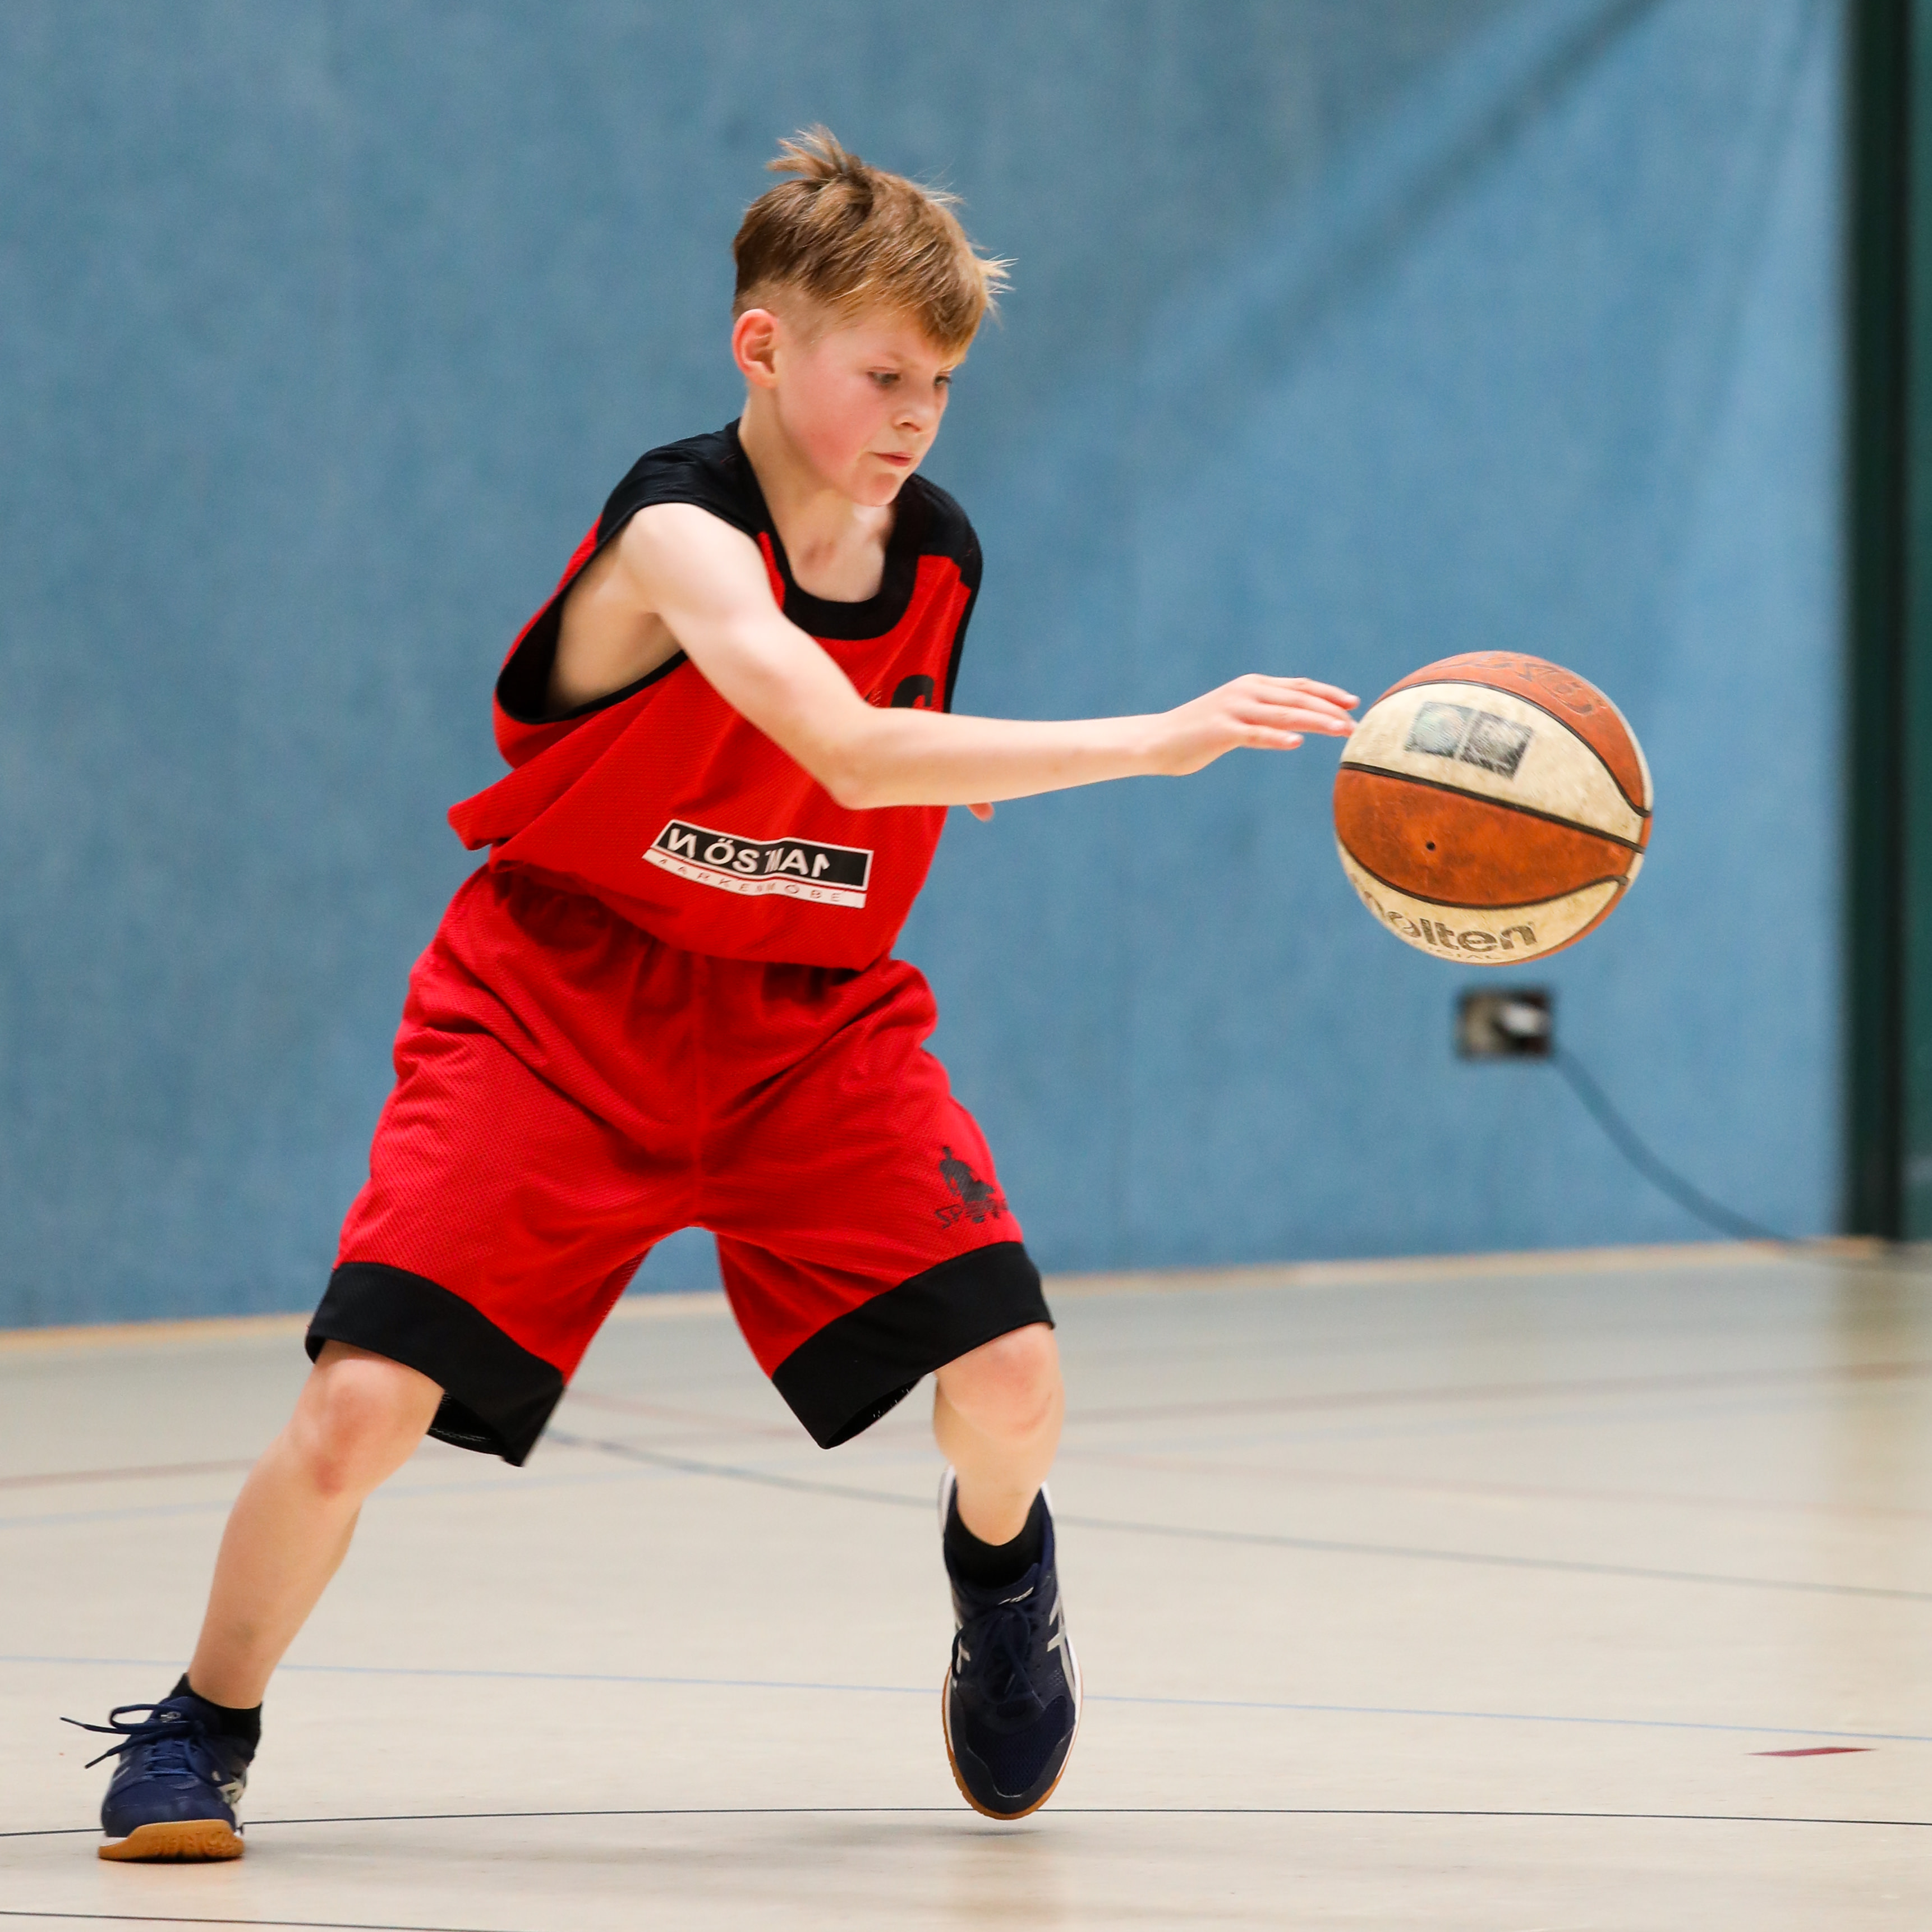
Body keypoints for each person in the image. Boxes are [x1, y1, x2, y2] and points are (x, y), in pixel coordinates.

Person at [69, 128, 1357, 1860]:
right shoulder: (676, 528)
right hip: (557, 1009)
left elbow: (878, 753)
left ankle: (1000, 1575)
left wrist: (945, 769)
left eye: (943, 381)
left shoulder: (939, 553)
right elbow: (841, 741)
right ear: (762, 346)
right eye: (881, 373)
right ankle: (199, 1723)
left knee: (1014, 1378)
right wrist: (1156, 736)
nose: (916, 412)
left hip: (807, 1025)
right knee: (362, 1405)